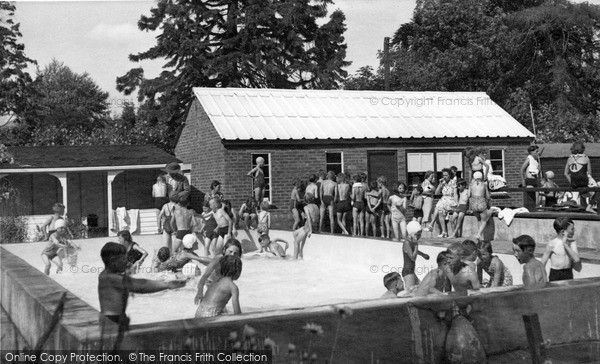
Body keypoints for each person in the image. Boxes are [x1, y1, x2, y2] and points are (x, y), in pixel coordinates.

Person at [98, 242, 185, 329]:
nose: (127, 261)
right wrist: (167, 285)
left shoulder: (107, 275)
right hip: (112, 323)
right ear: (113, 261)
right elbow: (141, 286)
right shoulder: (111, 278)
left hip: (112, 320)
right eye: (123, 259)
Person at [194, 239, 243, 305]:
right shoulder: (218, 259)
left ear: (239, 255)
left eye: (235, 253)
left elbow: (235, 278)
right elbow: (204, 276)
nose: (232, 255)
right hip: (211, 282)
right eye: (230, 251)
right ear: (224, 250)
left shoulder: (236, 263)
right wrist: (200, 292)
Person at [541, 217, 582, 282]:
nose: (574, 231)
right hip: (556, 273)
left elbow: (576, 259)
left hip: (568, 272)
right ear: (563, 232)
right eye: (572, 229)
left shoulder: (572, 243)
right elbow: (543, 263)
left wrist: (566, 245)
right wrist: (543, 278)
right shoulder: (552, 244)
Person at [565, 141, 593, 212]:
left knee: (581, 191)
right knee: (597, 190)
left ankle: (583, 207)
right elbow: (589, 173)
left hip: (574, 183)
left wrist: (571, 181)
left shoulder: (569, 158)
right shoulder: (586, 158)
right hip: (584, 181)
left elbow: (565, 173)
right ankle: (589, 206)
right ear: (582, 148)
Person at [402, 221, 430, 289]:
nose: (419, 236)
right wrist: (416, 245)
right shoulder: (407, 243)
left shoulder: (411, 242)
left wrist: (423, 254)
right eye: (417, 235)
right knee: (409, 294)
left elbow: (413, 251)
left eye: (420, 234)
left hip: (411, 272)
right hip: (408, 273)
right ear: (412, 233)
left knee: (422, 288)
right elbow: (412, 258)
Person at [431, 168, 457, 238]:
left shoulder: (453, 182)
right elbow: (436, 193)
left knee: (439, 207)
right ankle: (444, 232)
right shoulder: (443, 183)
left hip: (450, 199)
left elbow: (455, 194)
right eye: (443, 175)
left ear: (449, 175)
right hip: (443, 199)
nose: (444, 177)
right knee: (440, 211)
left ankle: (432, 224)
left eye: (446, 175)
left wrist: (456, 203)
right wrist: (440, 184)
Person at [293, 193, 319, 259]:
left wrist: (310, 230)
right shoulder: (316, 206)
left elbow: (309, 218)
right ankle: (300, 251)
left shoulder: (306, 207)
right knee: (295, 233)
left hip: (307, 227)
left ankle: (294, 258)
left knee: (296, 242)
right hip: (313, 225)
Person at [468, 172, 492, 240]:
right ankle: (479, 234)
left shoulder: (471, 184)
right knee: (484, 221)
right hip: (481, 202)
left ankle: (482, 238)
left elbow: (468, 195)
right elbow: (488, 196)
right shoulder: (484, 184)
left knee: (479, 220)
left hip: (473, 203)